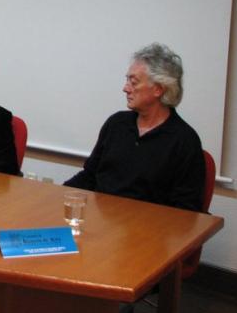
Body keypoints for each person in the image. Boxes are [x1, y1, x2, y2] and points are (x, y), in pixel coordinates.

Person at [64, 43, 205, 212]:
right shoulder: (116, 124)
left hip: (148, 226)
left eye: (133, 82)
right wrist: (57, 195)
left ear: (158, 89)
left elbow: (187, 210)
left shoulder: (184, 141)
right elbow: (89, 176)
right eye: (127, 81)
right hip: (101, 220)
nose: (125, 88)